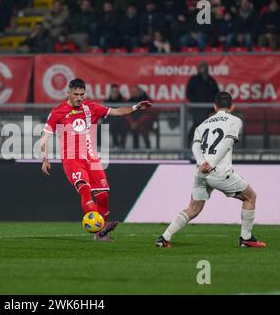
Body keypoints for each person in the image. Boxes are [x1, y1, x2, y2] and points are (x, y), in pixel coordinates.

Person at [40, 78, 151, 241]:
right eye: (76, 94)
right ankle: (97, 227)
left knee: (103, 196)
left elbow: (118, 112)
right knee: (84, 189)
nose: (79, 97)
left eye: (81, 94)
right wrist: (45, 159)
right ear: (68, 93)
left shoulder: (91, 108)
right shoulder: (58, 112)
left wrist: (135, 107)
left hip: (92, 159)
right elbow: (45, 136)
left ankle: (100, 232)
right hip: (72, 160)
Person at [156, 92, 266, 248]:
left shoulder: (203, 124)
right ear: (232, 106)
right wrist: (212, 163)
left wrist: (202, 163)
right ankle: (246, 238)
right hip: (219, 172)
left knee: (193, 208)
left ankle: (164, 238)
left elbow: (195, 145)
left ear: (215, 107)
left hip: (202, 171)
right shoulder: (235, 120)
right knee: (250, 197)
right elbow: (227, 142)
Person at [186, 61, 220, 144]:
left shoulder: (211, 80)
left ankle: (206, 145)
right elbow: (188, 93)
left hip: (210, 109)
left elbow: (217, 93)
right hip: (198, 108)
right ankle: (188, 144)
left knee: (209, 127)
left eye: (205, 68)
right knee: (197, 125)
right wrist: (195, 102)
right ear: (199, 69)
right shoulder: (194, 80)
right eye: (202, 68)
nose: (204, 70)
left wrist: (214, 107)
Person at [104, 84, 127, 149]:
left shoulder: (123, 101)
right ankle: (113, 144)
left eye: (116, 92)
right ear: (110, 92)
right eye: (113, 92)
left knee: (121, 124)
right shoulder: (107, 101)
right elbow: (103, 113)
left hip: (121, 121)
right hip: (110, 121)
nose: (114, 94)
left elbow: (126, 112)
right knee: (110, 124)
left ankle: (122, 145)